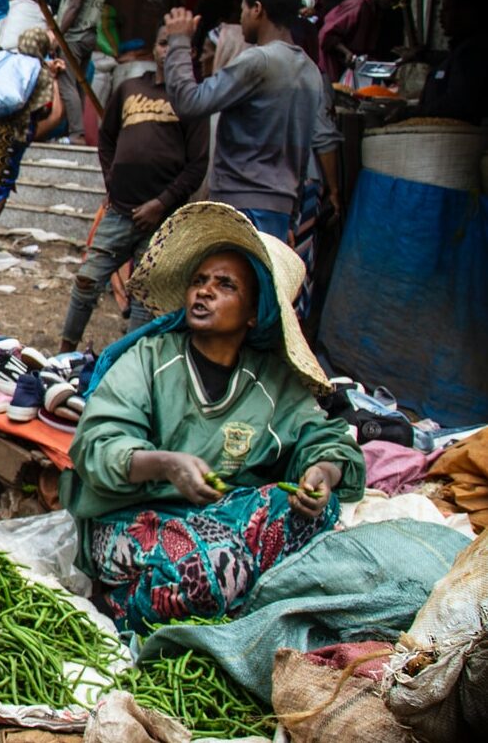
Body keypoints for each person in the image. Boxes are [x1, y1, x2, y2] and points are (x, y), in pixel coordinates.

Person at [61, 202, 365, 632]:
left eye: (225, 285)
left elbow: (325, 438)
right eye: (200, 281)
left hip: (222, 524)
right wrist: (166, 464)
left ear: (255, 313)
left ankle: (217, 598)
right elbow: (98, 446)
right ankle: (131, 607)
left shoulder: (272, 382)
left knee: (314, 514)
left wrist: (322, 472)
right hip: (129, 521)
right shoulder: (149, 360)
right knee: (203, 569)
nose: (204, 291)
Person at [59, 25, 209, 351]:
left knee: (143, 296)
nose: (167, 50)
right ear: (153, 49)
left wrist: (161, 202)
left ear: (191, 54)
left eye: (175, 45)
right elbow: (108, 139)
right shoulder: (129, 89)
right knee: (87, 280)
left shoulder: (191, 100)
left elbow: (197, 165)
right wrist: (111, 180)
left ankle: (124, 364)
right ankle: (63, 353)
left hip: (162, 218)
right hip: (120, 210)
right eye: (162, 43)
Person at [162, 0, 341, 240]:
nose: (241, 18)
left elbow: (189, 103)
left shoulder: (258, 61)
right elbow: (304, 150)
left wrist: (178, 42)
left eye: (244, 10)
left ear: (258, 9)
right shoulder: (310, 70)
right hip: (279, 207)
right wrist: (291, 217)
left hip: (241, 204)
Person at [0, 28, 64, 255]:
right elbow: (47, 112)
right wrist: (54, 80)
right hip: (13, 135)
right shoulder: (39, 72)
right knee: (4, 180)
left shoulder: (5, 62)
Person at [55, 0, 109, 144]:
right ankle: (76, 132)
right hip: (89, 35)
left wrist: (57, 35)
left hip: (75, 36)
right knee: (79, 86)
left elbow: (75, 5)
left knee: (67, 82)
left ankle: (76, 133)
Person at [418, 0, 486, 124]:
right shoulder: (459, 51)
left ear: (469, 11)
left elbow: (456, 105)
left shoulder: (473, 52)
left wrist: (410, 113)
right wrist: (419, 55)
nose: (440, 16)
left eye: (447, 9)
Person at [318, 0, 402, 80]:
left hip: (352, 68)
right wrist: (347, 52)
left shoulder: (376, 12)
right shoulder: (357, 4)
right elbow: (326, 33)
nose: (392, 4)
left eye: (395, 2)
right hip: (331, 65)